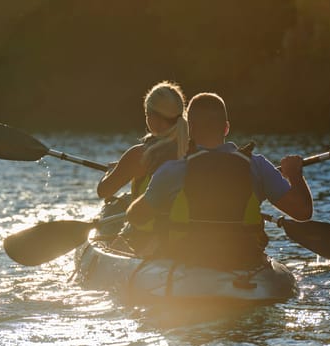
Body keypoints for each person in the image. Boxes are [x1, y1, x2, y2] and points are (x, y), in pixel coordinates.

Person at [126, 92, 313, 270]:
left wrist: (165, 212)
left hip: (188, 261)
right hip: (243, 261)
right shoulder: (257, 166)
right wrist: (295, 174)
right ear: (226, 128)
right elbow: (302, 212)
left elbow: (135, 216)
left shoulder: (172, 171)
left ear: (190, 129)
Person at [96, 81, 189, 252]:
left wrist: (110, 172)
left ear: (152, 117)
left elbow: (104, 191)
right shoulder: (194, 150)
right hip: (185, 240)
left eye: (147, 114)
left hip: (145, 242)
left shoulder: (140, 154)